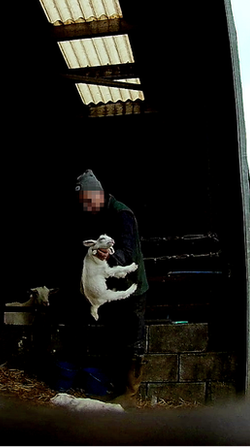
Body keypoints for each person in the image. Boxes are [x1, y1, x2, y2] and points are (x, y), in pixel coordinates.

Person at [72, 169, 148, 406]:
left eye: (87, 200)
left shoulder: (122, 214)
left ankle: (131, 395)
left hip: (131, 287)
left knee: (133, 341)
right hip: (111, 289)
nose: (85, 206)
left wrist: (107, 255)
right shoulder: (99, 216)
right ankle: (118, 391)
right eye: (82, 202)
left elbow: (126, 252)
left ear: (98, 193)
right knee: (116, 339)